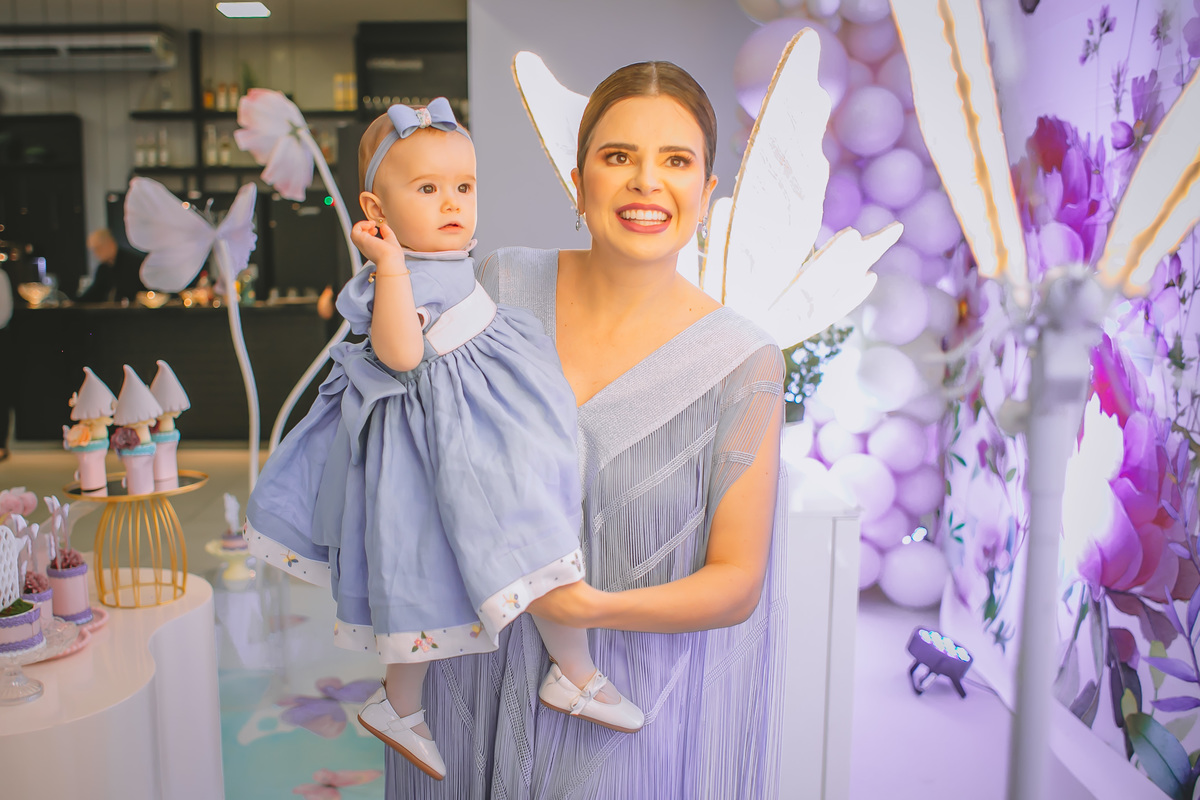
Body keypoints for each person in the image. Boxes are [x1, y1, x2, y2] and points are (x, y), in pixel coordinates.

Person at [387, 62, 786, 799]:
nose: (645, 181)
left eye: (675, 161)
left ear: (707, 192)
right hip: (467, 688)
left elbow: (737, 583)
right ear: (578, 181)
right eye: (617, 157)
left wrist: (588, 609)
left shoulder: (743, 362)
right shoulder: (501, 288)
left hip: (626, 709)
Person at [245, 98, 643, 782]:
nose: (451, 202)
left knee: (533, 539)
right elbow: (400, 352)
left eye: (463, 186)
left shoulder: (448, 259)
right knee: (473, 556)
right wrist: (390, 265)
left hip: (485, 420)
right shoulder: (390, 277)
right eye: (426, 189)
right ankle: (542, 677)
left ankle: (523, 680)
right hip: (449, 442)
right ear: (377, 207)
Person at [77, 229, 146, 303]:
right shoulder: (103, 268)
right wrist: (75, 302)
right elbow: (96, 292)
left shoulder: (132, 262)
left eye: (98, 248)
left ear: (110, 243)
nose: (96, 253)